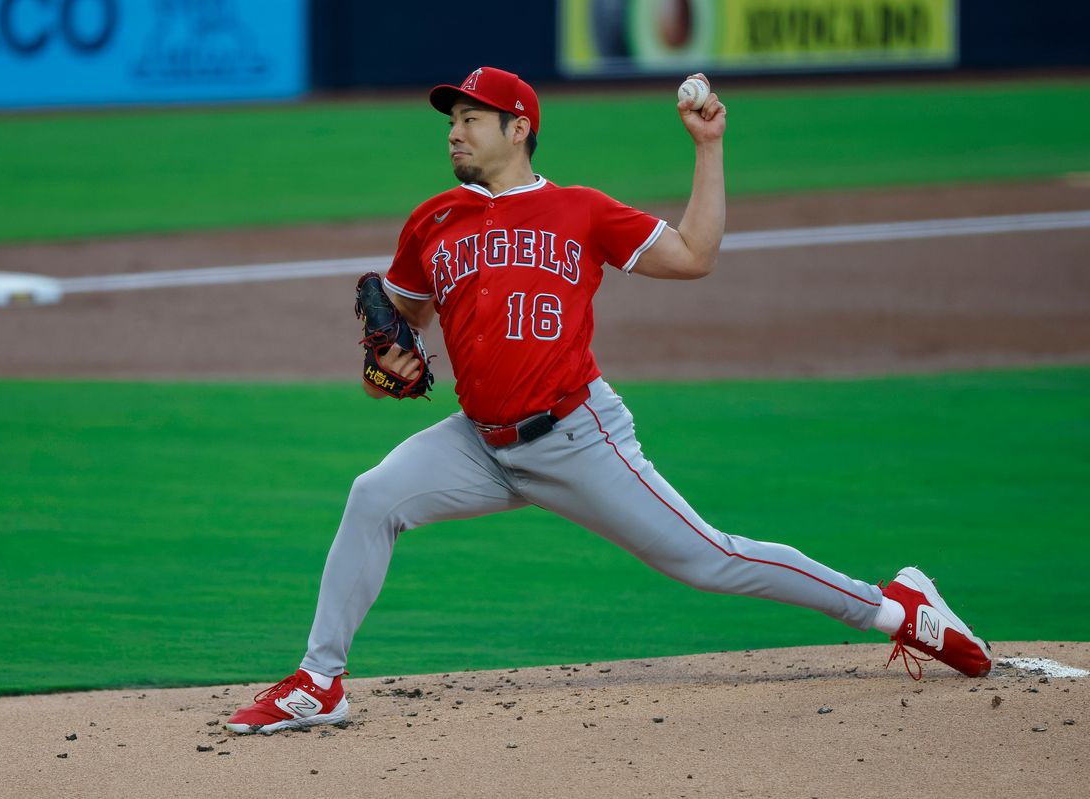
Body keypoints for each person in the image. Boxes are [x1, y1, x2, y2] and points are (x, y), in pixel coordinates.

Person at [225, 67, 991, 735]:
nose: (454, 131)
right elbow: (394, 351)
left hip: (576, 437)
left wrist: (708, 147)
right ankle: (319, 682)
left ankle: (895, 608)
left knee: (709, 558)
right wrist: (385, 368)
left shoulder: (581, 210)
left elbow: (694, 255)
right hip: (477, 443)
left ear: (517, 127)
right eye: (451, 119)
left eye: (470, 118)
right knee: (373, 496)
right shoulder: (433, 221)